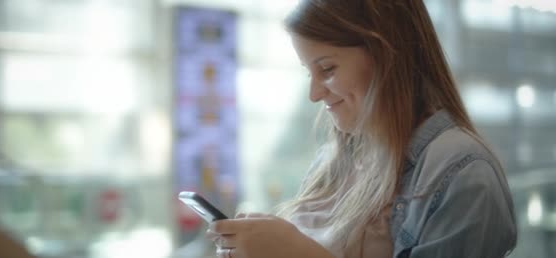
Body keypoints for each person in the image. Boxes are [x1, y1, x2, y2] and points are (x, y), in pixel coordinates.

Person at [206, 0, 518, 257]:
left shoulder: (462, 173)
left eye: (327, 69)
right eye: (308, 72)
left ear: (387, 56)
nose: (314, 94)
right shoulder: (332, 163)